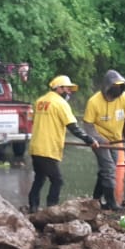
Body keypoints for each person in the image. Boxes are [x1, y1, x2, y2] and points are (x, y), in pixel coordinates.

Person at [27, 75, 99, 213]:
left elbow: (35, 120)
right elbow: (73, 127)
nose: (69, 92)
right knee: (57, 180)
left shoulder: (40, 101)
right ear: (59, 89)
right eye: (67, 88)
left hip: (36, 147)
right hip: (48, 148)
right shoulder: (60, 104)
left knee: (40, 178)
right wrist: (90, 140)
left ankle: (33, 207)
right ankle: (51, 208)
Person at [84, 70, 125, 210]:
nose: (117, 90)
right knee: (109, 169)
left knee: (105, 171)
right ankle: (111, 203)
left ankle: (95, 199)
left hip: (115, 139)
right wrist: (99, 139)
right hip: (99, 140)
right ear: (107, 87)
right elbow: (88, 126)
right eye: (114, 87)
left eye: (120, 87)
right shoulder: (94, 102)